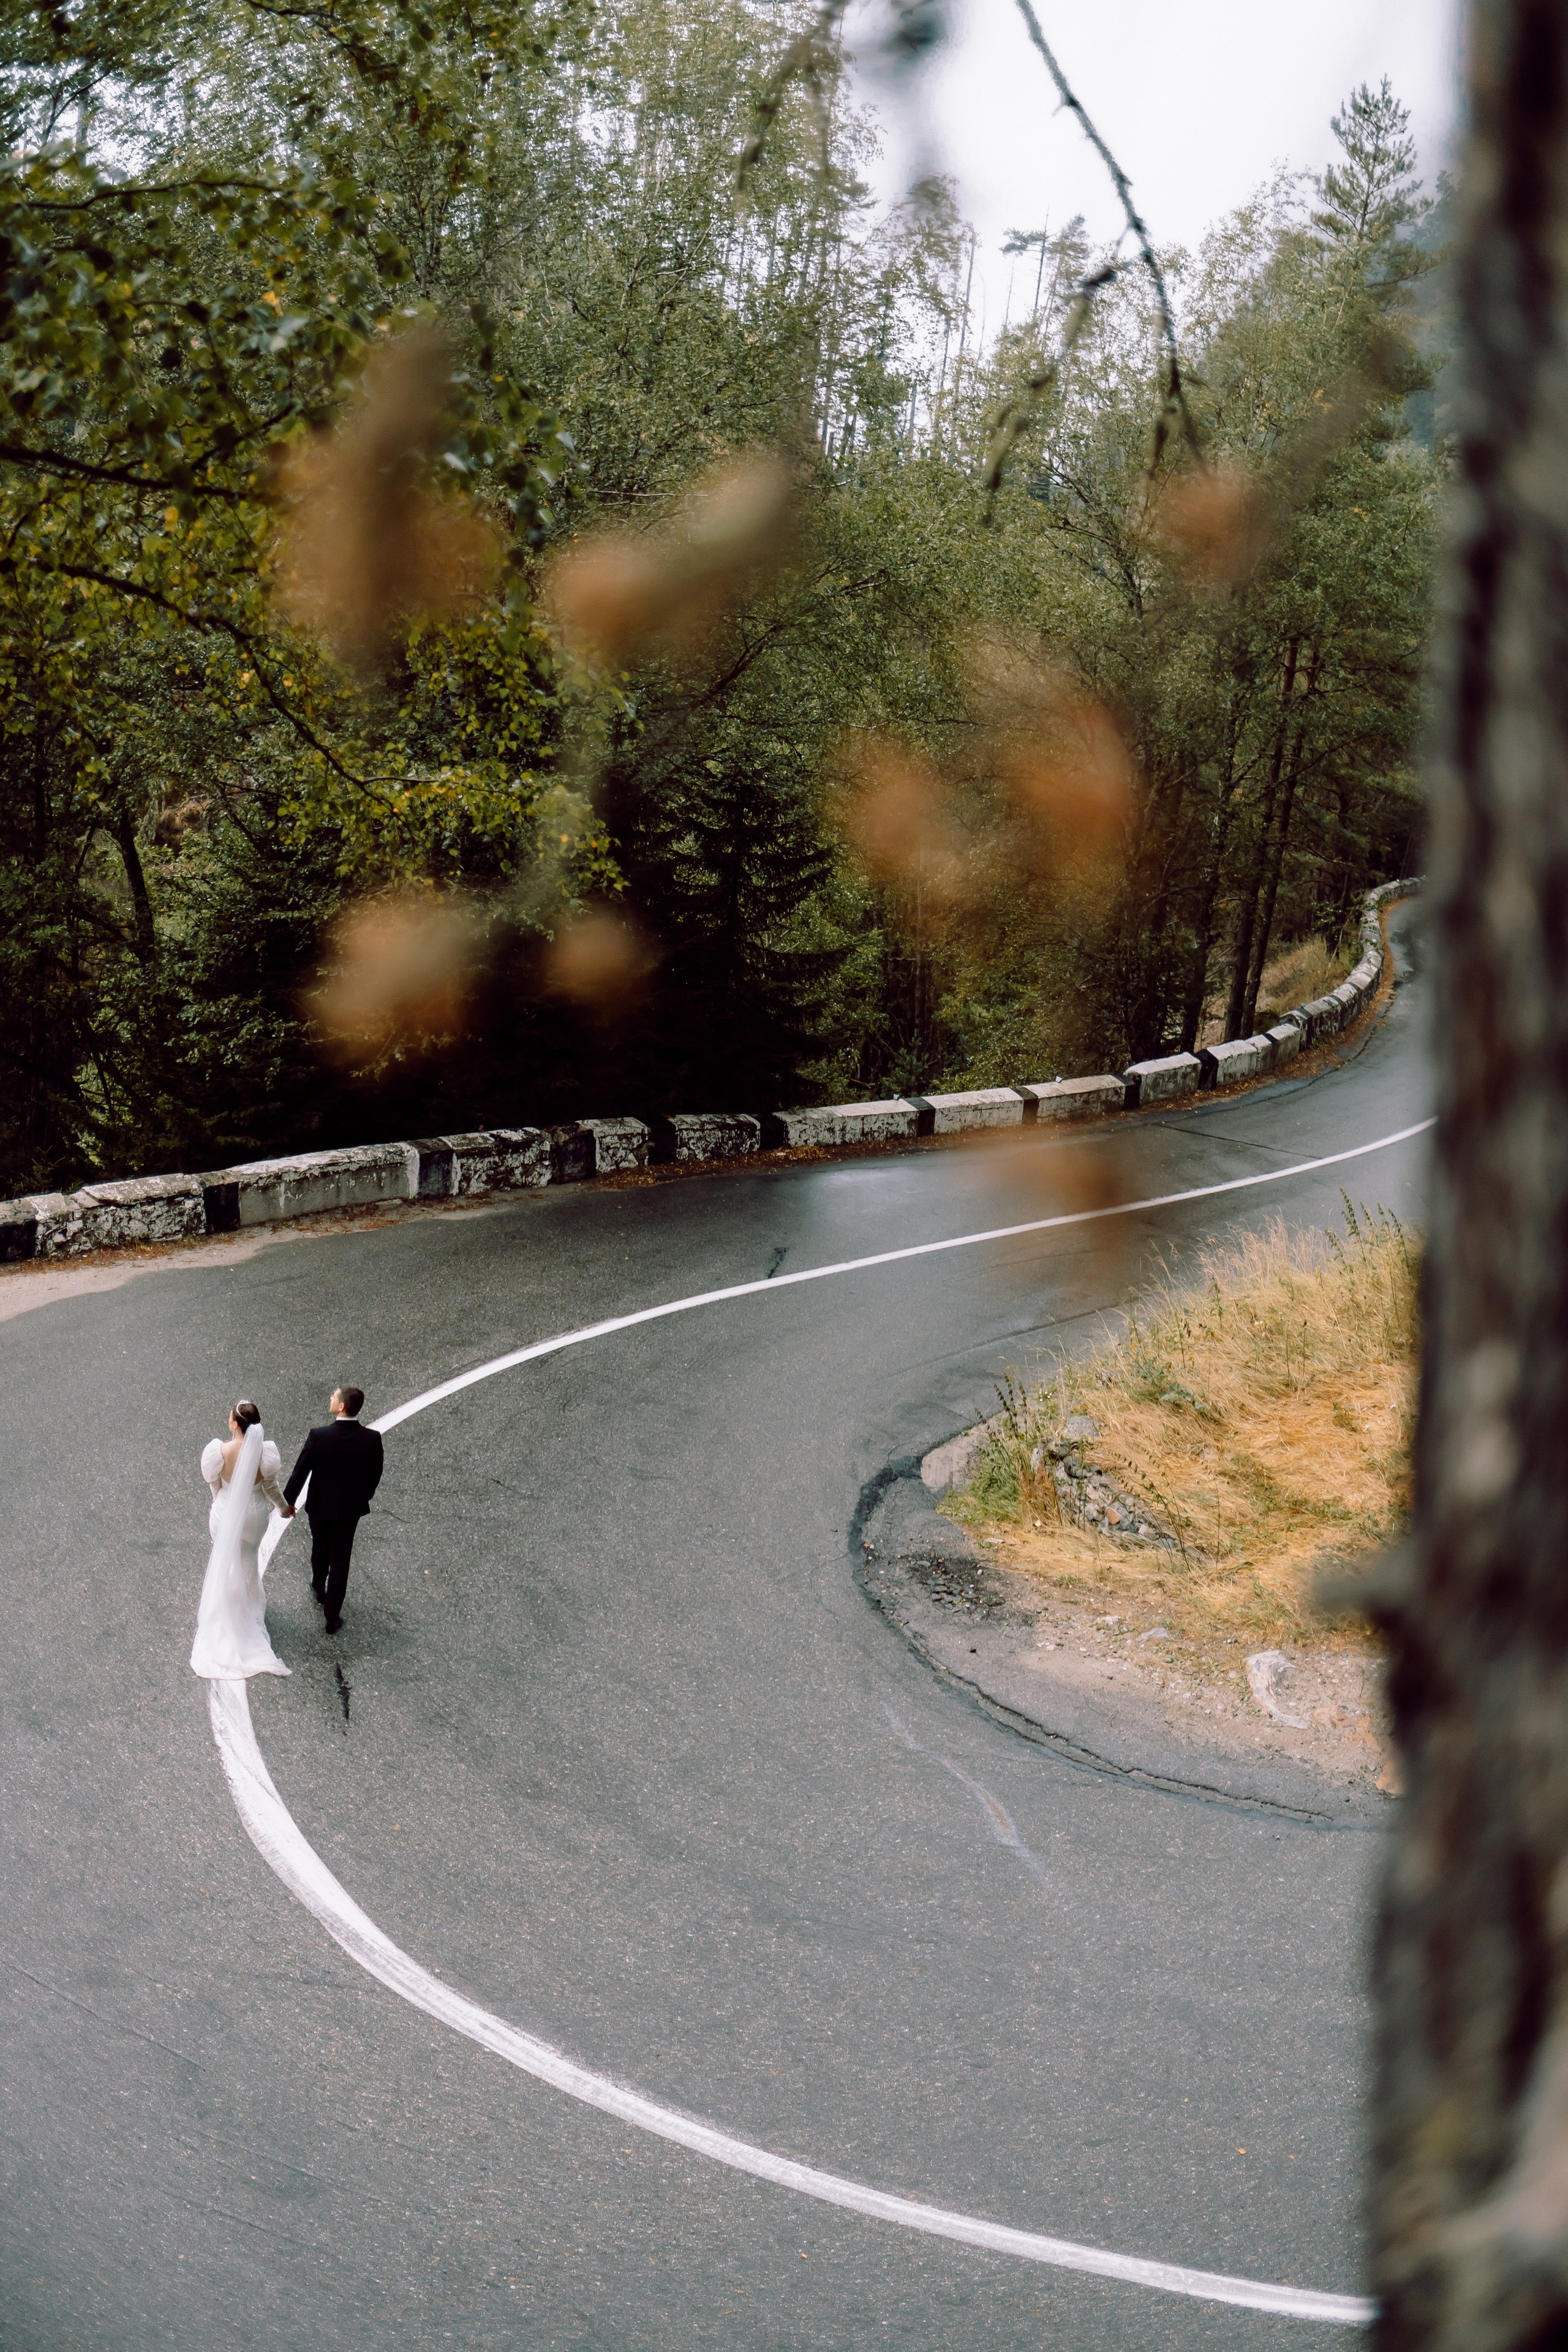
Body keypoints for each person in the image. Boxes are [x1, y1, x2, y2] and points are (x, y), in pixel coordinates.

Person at [190, 1400, 293, 1681]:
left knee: (225, 1560)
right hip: (255, 1515)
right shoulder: (265, 1453)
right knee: (248, 1559)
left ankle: (225, 1609)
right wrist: (285, 1508)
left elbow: (214, 1484)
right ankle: (246, 1608)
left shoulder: (218, 1452)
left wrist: (222, 1506)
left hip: (225, 1513)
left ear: (235, 1424)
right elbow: (270, 1487)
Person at [283, 1385, 383, 1635]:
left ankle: (318, 1585)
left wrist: (288, 1501)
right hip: (349, 1510)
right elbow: (375, 1475)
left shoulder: (319, 1436)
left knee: (320, 1545)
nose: (330, 1398)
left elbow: (300, 1472)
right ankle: (332, 1617)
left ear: (341, 1407)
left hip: (320, 1506)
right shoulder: (372, 1439)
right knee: (341, 1560)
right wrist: (363, 1497)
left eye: (333, 1397)